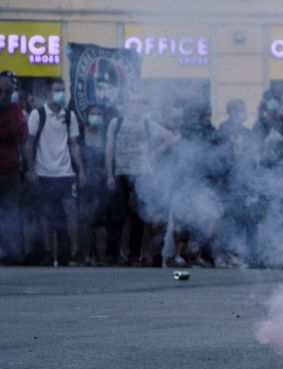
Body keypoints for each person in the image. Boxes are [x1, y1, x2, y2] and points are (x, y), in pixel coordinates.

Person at [105, 86, 178, 265]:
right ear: (126, 105)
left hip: (141, 174)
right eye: (132, 102)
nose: (135, 106)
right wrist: (109, 174)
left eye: (139, 103)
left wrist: (155, 152)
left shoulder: (147, 123)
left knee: (138, 217)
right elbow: (109, 149)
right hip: (121, 172)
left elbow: (173, 137)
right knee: (117, 216)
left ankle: (134, 255)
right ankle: (113, 254)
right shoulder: (116, 122)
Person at [24, 78, 86, 265]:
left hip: (65, 173)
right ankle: (48, 252)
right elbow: (29, 142)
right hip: (44, 171)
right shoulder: (38, 114)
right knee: (45, 213)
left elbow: (74, 145)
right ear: (49, 92)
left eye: (62, 90)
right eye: (56, 90)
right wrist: (31, 169)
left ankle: (74, 252)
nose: (60, 93)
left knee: (72, 211)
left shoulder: (69, 116)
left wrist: (81, 170)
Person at [0, 74, 28, 265]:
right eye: (1, 92)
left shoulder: (16, 110)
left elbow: (22, 134)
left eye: (8, 92)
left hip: (10, 170)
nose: (4, 96)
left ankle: (11, 252)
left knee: (11, 211)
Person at [79, 104, 111, 265]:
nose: (96, 116)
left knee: (100, 222)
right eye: (93, 113)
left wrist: (108, 175)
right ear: (87, 114)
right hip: (84, 181)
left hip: (101, 182)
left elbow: (109, 157)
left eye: (99, 113)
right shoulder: (79, 132)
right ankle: (86, 256)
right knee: (85, 219)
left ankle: (102, 258)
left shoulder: (106, 135)